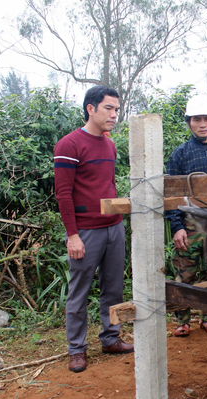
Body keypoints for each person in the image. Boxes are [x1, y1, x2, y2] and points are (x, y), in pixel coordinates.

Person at [54, 85, 133, 373]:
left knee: (113, 288)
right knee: (80, 291)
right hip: (85, 232)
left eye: (116, 108)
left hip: (113, 227)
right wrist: (72, 235)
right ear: (91, 108)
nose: (114, 114)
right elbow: (63, 194)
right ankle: (76, 349)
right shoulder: (69, 144)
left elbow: (108, 185)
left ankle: (111, 338)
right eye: (108, 108)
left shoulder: (109, 144)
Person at [165, 94, 207, 337]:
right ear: (189, 122)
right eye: (197, 119)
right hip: (189, 222)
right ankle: (182, 319)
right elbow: (170, 196)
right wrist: (177, 226)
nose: (202, 124)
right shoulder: (180, 154)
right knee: (185, 271)